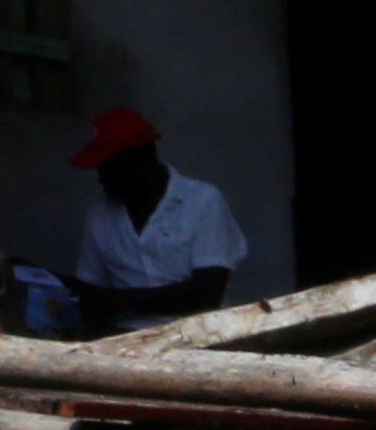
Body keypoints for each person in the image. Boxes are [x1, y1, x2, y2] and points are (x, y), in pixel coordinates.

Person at [64, 107, 246, 330]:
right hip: (125, 340)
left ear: (142, 159)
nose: (101, 178)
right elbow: (89, 288)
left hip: (200, 334)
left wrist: (119, 302)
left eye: (109, 167)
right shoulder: (100, 209)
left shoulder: (202, 201)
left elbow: (207, 294)